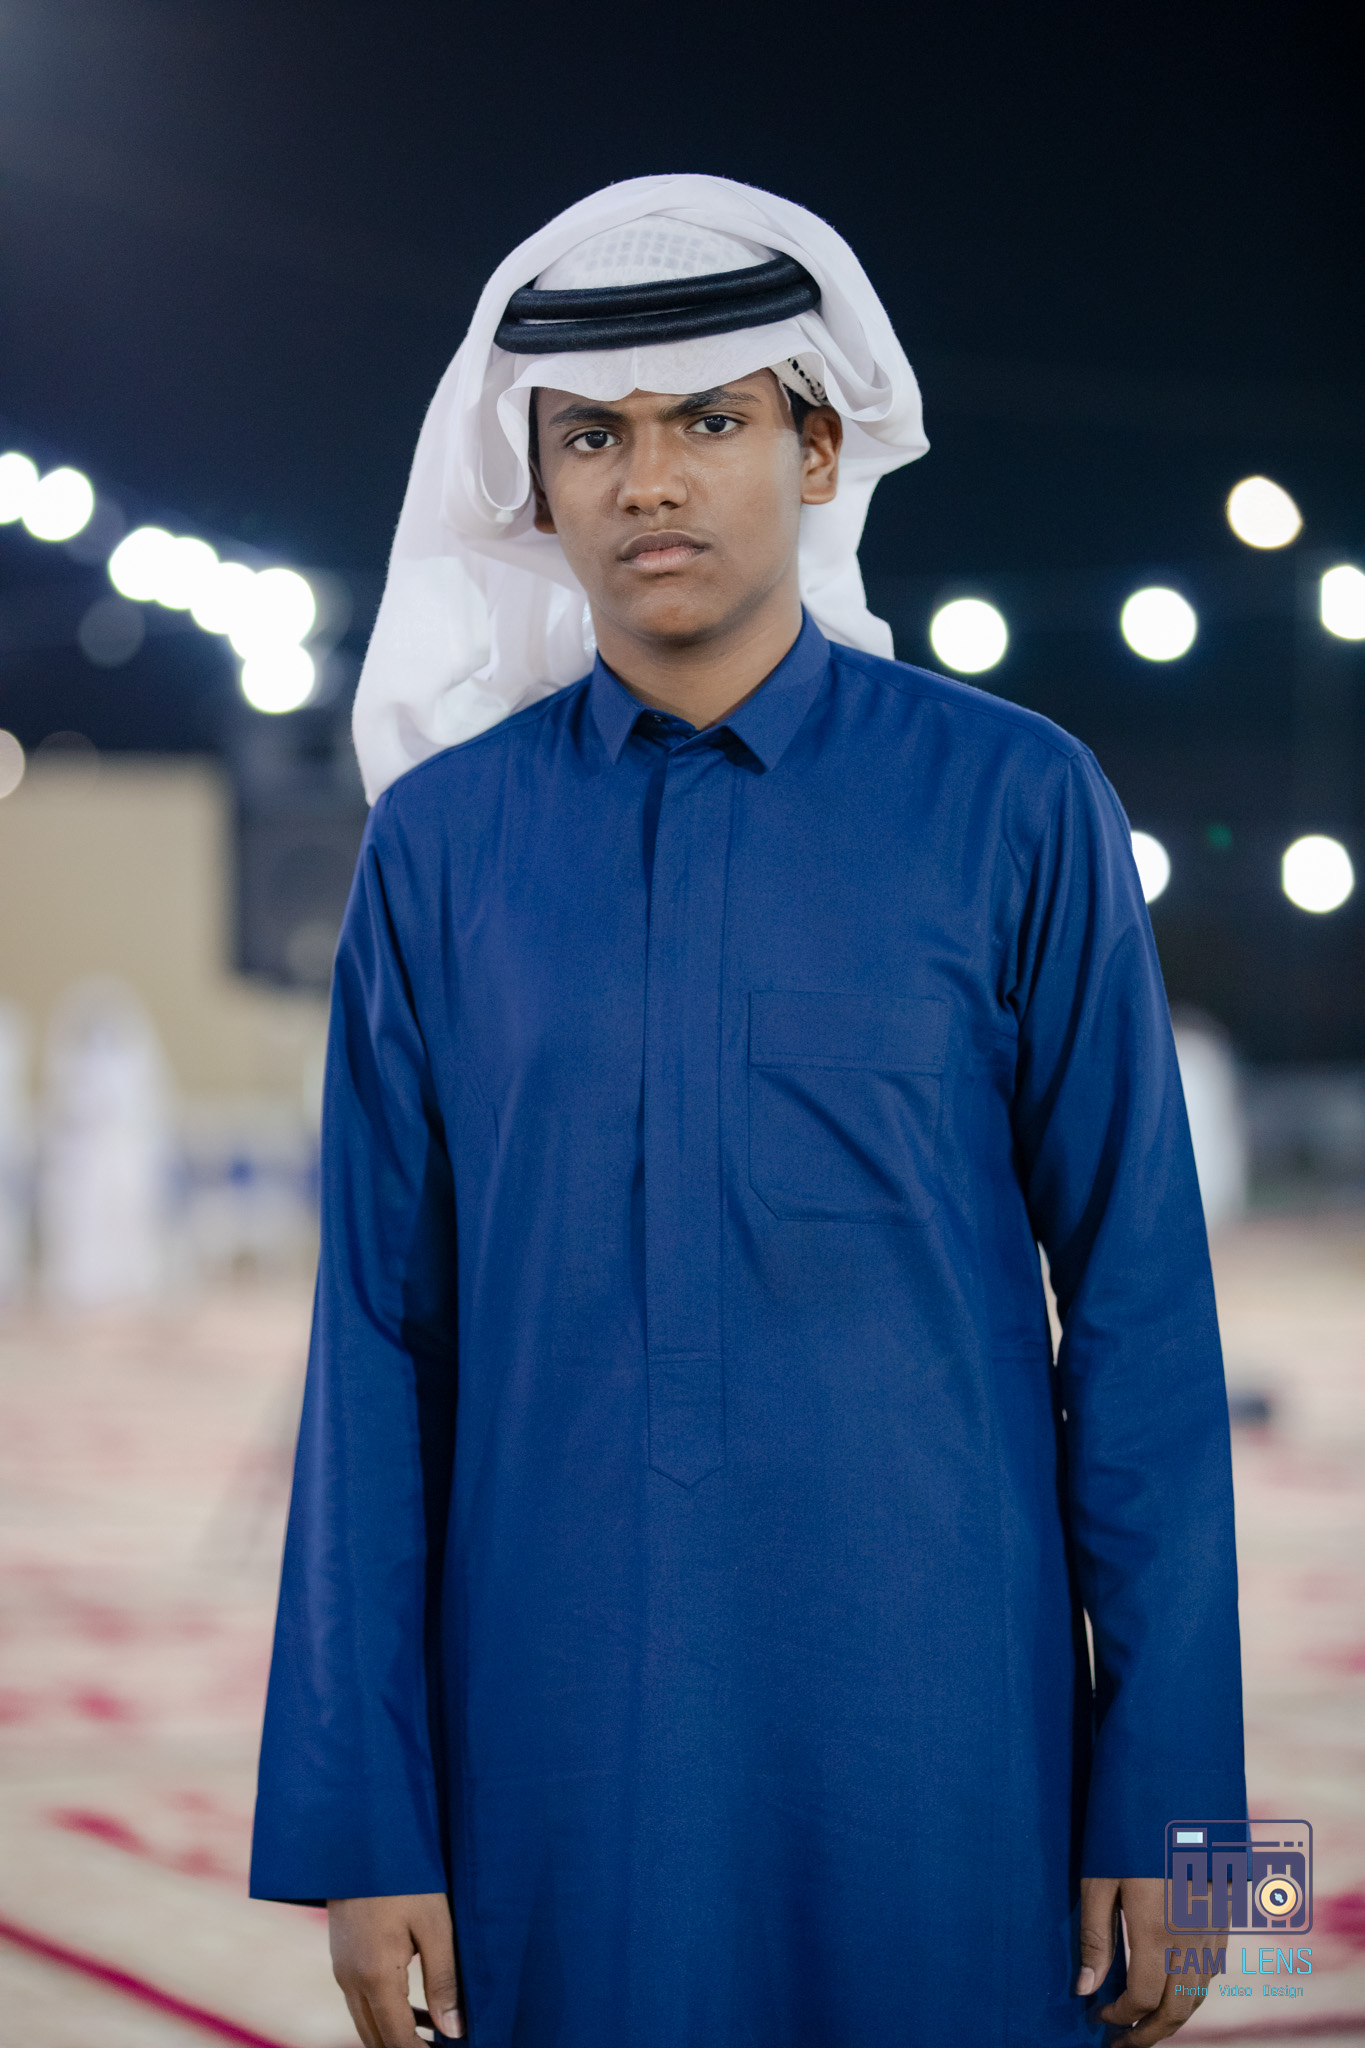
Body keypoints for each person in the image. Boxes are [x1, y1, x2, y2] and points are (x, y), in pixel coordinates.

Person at [250, 176, 1245, 2048]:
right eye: (591, 436)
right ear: (530, 484)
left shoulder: (1020, 800)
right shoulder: (438, 851)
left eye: (707, 421)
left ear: (817, 449)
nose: (648, 482)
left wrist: (1196, 1846)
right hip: (556, 1758)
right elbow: (374, 1350)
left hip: (960, 1752)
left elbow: (1144, 1322)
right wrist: (359, 1832)